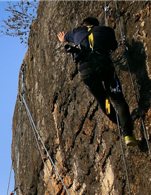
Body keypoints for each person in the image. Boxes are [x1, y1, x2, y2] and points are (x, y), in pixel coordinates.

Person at [57, 16, 139, 147]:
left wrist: (62, 40)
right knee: (118, 99)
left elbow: (64, 37)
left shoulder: (77, 31)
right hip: (105, 67)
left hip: (87, 71)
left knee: (104, 100)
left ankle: (119, 123)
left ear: (84, 25)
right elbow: (113, 46)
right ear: (96, 24)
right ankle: (128, 133)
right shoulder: (106, 30)